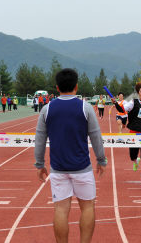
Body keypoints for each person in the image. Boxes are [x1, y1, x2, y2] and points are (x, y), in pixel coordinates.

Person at [34, 68, 107, 243]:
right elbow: (96, 136)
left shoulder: (47, 109)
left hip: (58, 169)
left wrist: (39, 164)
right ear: (76, 86)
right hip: (82, 168)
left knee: (60, 210)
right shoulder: (85, 107)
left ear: (57, 88)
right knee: (88, 207)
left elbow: (39, 139)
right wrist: (101, 159)